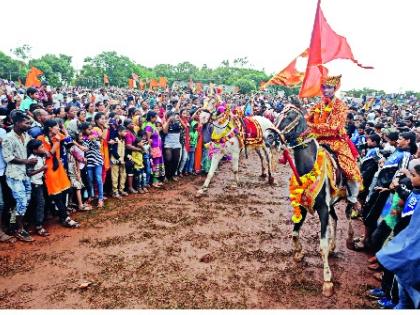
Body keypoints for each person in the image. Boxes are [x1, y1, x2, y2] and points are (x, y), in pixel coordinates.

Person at [306, 75, 362, 212]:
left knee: (349, 167)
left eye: (329, 87)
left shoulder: (341, 106)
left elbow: (335, 126)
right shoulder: (317, 105)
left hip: (336, 141)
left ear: (335, 88)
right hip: (318, 139)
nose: (326, 90)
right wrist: (309, 124)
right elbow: (308, 119)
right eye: (324, 87)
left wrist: (315, 126)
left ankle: (353, 197)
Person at [376, 163, 420, 309]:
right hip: (400, 235)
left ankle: (392, 299)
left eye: (414, 175)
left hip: (409, 244)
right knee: (391, 269)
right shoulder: (415, 190)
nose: (410, 178)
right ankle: (385, 291)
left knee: (398, 277)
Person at [38, 120, 80, 227]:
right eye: (56, 126)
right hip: (49, 169)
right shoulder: (41, 139)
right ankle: (64, 217)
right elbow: (48, 154)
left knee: (66, 190)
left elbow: (69, 141)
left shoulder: (57, 135)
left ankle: (60, 214)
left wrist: (64, 131)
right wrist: (56, 143)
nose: (58, 128)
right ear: (50, 128)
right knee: (56, 194)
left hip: (59, 168)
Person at [2, 111, 36, 242]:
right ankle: (19, 229)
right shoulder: (8, 138)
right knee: (22, 200)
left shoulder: (25, 135)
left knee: (25, 199)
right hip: (14, 174)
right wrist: (26, 161)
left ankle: (14, 224)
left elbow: (31, 123)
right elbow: (8, 157)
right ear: (17, 123)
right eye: (25, 123)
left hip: (24, 173)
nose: (28, 125)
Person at [26, 139, 49, 236]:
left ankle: (29, 222)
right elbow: (29, 173)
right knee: (40, 203)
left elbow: (47, 154)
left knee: (36, 203)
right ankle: (38, 226)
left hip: (40, 182)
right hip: (35, 183)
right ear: (35, 150)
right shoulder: (33, 159)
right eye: (41, 147)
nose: (43, 148)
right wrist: (41, 169)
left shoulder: (40, 156)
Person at [80, 122, 105, 208]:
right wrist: (88, 140)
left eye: (91, 129)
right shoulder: (82, 138)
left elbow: (98, 146)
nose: (91, 131)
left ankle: (100, 199)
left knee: (98, 178)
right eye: (88, 129)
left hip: (97, 160)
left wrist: (93, 140)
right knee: (89, 179)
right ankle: (91, 196)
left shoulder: (95, 135)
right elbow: (84, 149)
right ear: (84, 130)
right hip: (89, 162)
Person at [143, 111, 165, 188]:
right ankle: (154, 182)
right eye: (155, 117)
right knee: (155, 164)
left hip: (158, 148)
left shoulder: (152, 125)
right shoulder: (148, 126)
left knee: (158, 164)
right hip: (154, 148)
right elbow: (148, 140)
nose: (156, 119)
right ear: (151, 118)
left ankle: (157, 180)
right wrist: (151, 150)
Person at [110, 126, 128, 198]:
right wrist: (118, 158)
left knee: (123, 175)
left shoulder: (123, 140)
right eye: (124, 131)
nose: (125, 133)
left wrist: (127, 156)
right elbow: (113, 150)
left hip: (122, 160)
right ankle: (115, 191)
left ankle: (121, 189)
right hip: (115, 160)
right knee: (115, 176)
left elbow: (124, 150)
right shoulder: (115, 140)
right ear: (119, 132)